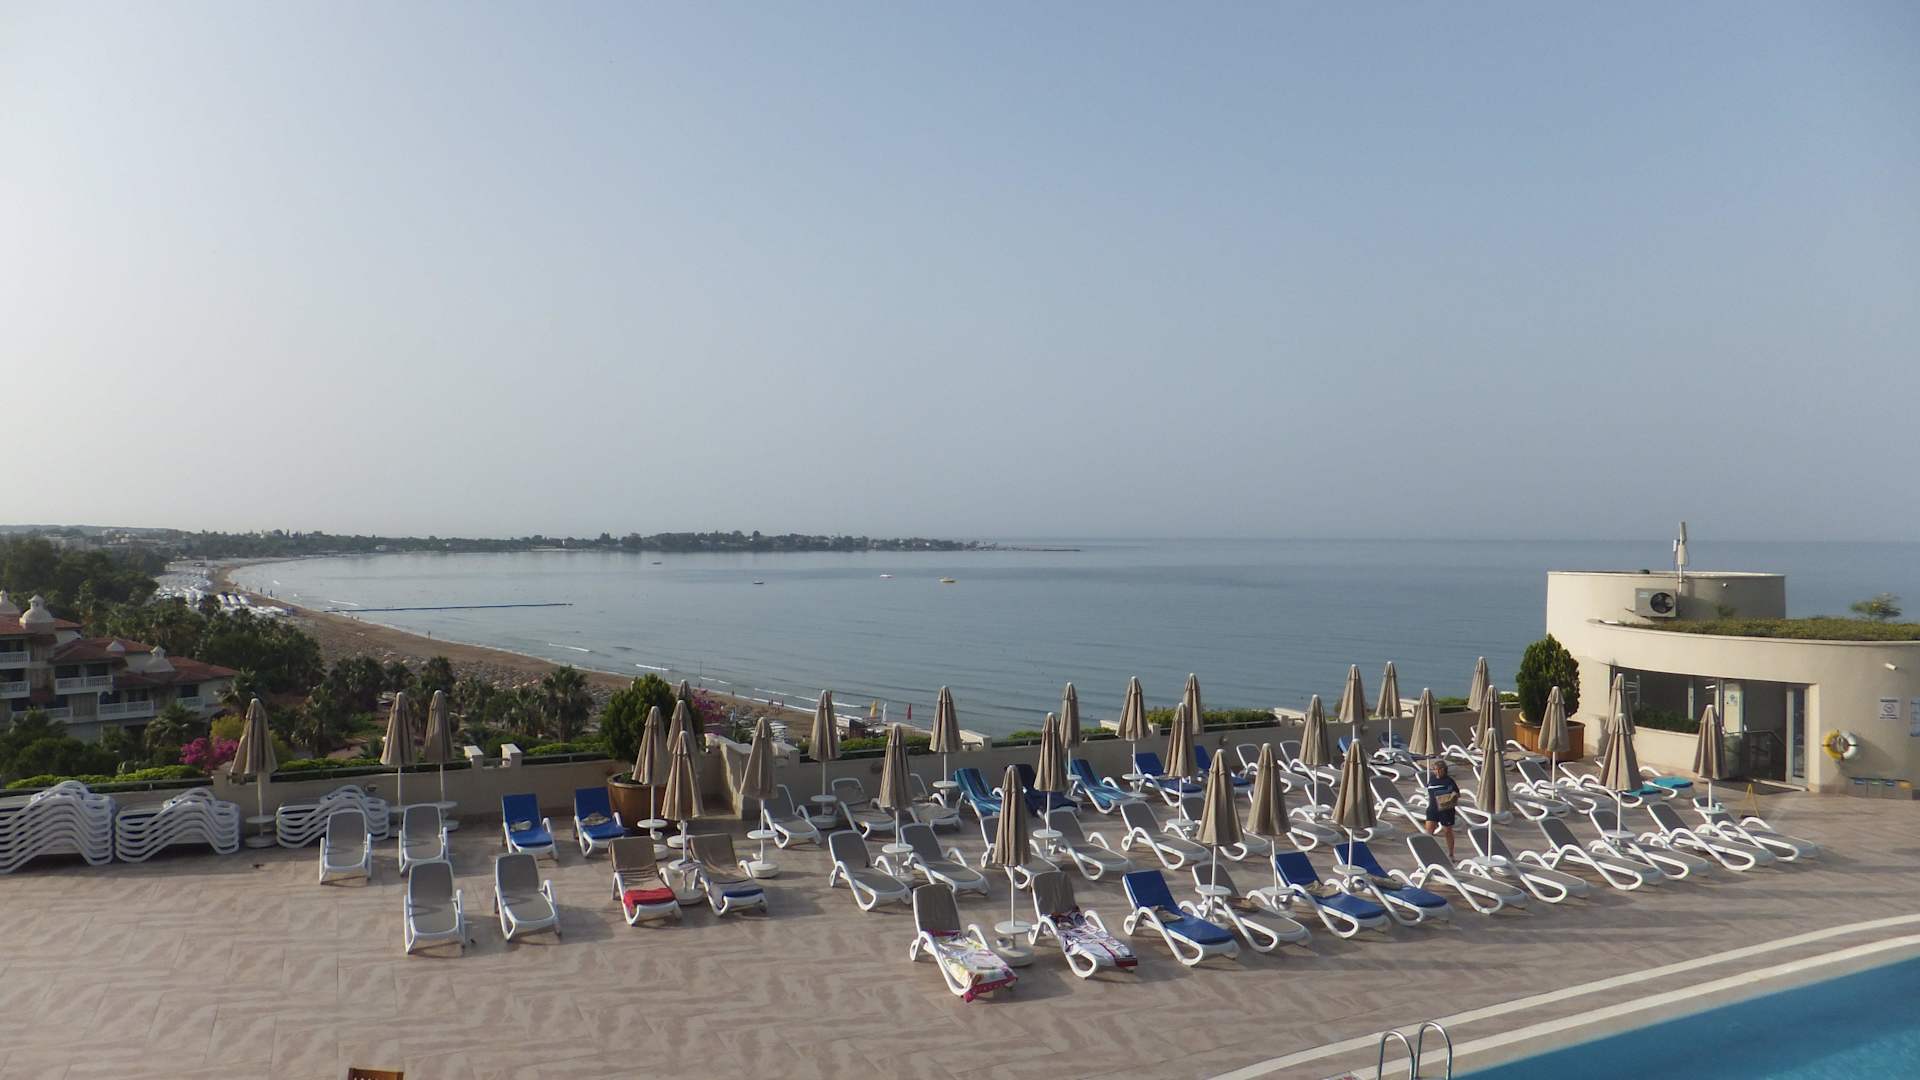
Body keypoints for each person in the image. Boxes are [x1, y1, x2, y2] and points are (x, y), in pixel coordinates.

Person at [1424, 760, 1460, 860]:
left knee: (1447, 832)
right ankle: (1427, 854)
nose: (1436, 772)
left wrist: (1446, 797)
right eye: (1434, 769)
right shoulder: (1432, 779)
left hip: (1446, 811)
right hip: (1432, 809)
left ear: (1443, 770)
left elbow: (1457, 794)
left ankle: (1451, 854)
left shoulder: (1449, 781)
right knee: (1428, 833)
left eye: (1438, 769)